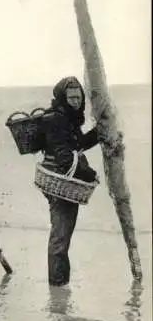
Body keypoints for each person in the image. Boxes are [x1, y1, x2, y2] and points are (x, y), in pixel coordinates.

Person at [40, 76, 101, 287]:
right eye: (71, 97)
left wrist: (98, 133)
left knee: (62, 234)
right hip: (60, 183)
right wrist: (90, 174)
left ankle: (60, 283)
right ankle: (57, 288)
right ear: (62, 97)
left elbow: (77, 144)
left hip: (62, 181)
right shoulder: (56, 119)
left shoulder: (68, 117)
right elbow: (65, 157)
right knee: (60, 236)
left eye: (78, 97)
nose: (75, 101)